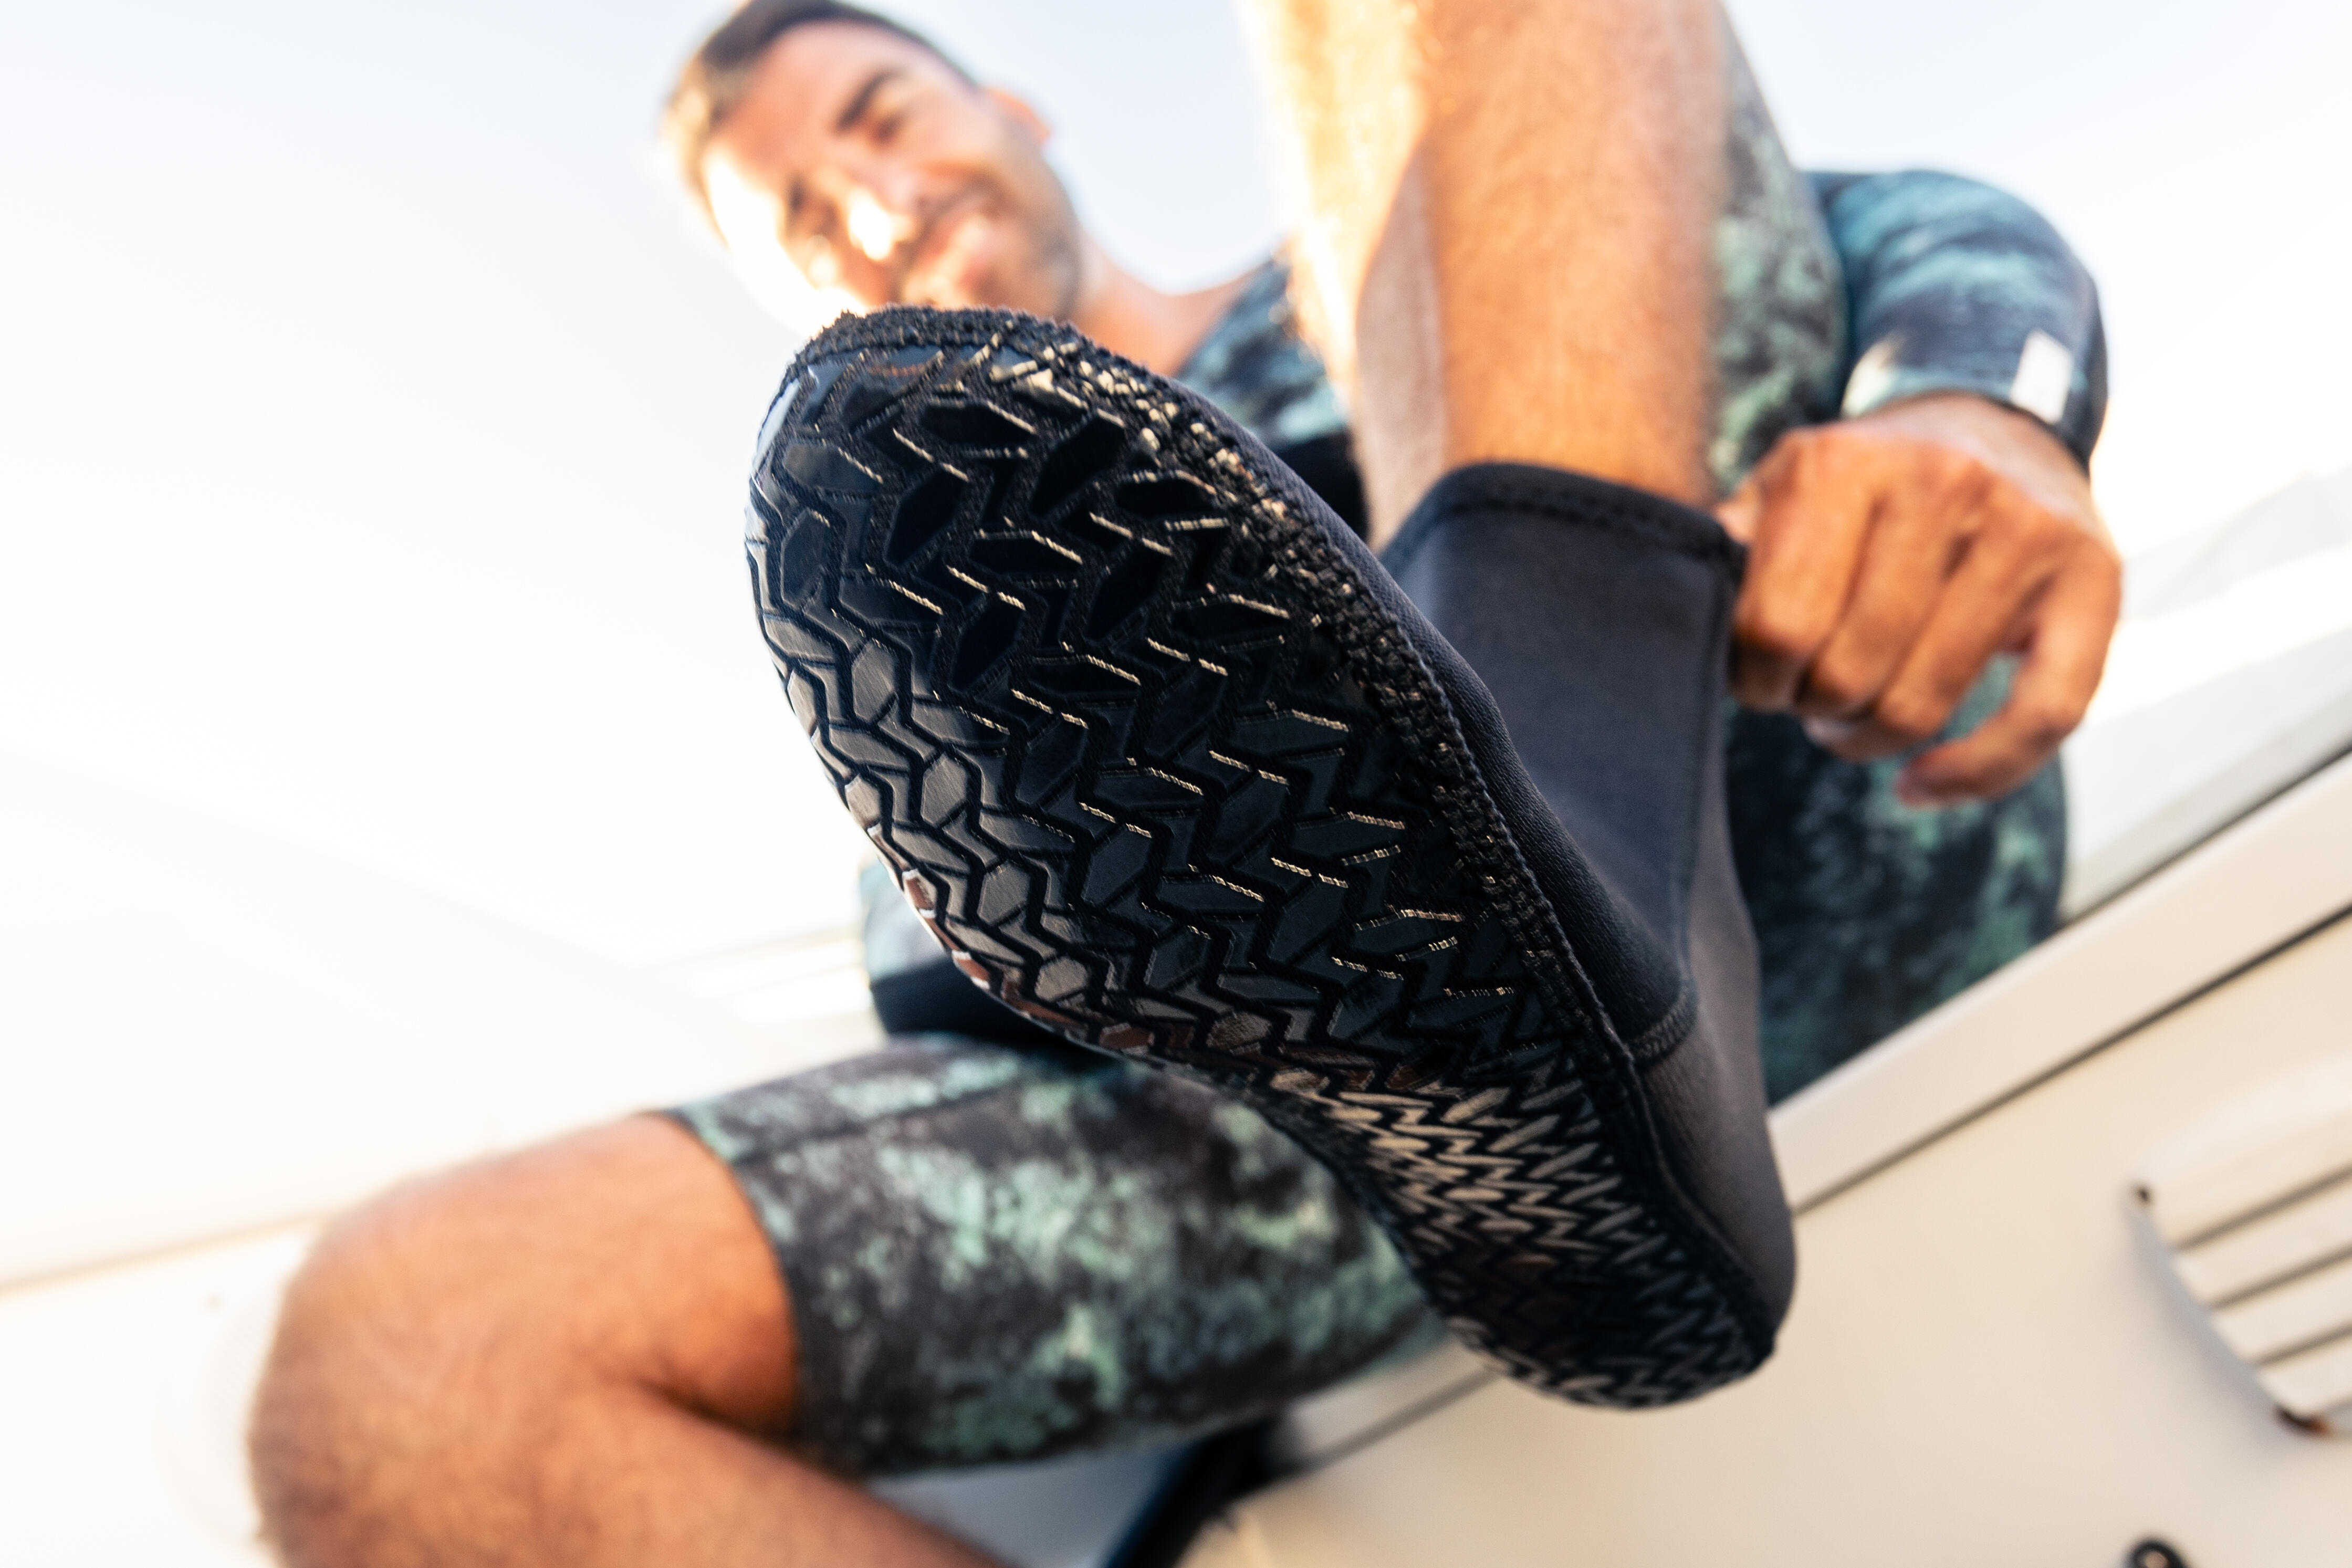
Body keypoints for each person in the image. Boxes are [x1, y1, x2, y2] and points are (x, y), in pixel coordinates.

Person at [246, 4, 2123, 1566]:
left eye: (883, 119)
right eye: (805, 221)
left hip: (1807, 793)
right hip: (1377, 1155)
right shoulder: (930, 605)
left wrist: (1984, 404)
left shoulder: (1426, 238)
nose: (877, 206)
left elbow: (1908, 232)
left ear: (1018, 105)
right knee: (413, 1357)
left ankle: (1597, 894)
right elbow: (939, 959)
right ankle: (1562, 1037)